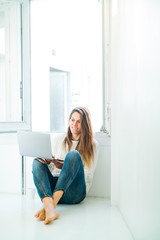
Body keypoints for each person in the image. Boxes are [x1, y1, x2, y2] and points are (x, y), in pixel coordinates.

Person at [32, 106, 98, 225]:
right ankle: (49, 206)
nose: (75, 124)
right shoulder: (58, 139)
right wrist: (49, 163)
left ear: (85, 124)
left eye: (79, 121)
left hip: (74, 192)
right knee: (37, 161)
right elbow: (51, 171)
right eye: (72, 120)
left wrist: (67, 167)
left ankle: (51, 207)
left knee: (73, 155)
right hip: (53, 190)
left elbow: (88, 175)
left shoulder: (92, 145)